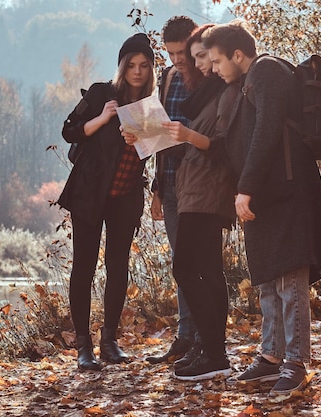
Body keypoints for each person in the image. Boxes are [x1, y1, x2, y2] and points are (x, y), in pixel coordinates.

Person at [202, 20, 321, 394]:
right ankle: (272, 357)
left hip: (288, 194)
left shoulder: (266, 71)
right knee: (268, 280)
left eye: (216, 61)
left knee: (290, 280)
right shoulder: (247, 82)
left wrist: (245, 188)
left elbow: (268, 130)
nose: (214, 68)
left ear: (238, 55)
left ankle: (296, 362)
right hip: (268, 196)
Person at [125, 24, 240, 381]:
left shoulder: (220, 84)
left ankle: (211, 350)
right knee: (195, 268)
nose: (187, 62)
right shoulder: (178, 79)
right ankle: (203, 347)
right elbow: (164, 131)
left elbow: (221, 141)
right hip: (181, 183)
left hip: (207, 187)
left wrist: (188, 135)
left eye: (196, 55)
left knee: (193, 268)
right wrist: (142, 138)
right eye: (177, 56)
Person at [56, 33, 156, 371]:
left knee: (118, 267)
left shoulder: (151, 103)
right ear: (122, 66)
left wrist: (141, 137)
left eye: (144, 65)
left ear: (151, 69)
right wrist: (103, 119)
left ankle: (109, 341)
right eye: (131, 65)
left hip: (126, 195)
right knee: (84, 267)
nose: (137, 71)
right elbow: (69, 130)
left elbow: (153, 150)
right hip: (90, 192)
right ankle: (84, 346)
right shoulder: (102, 91)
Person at [145, 15, 203, 365]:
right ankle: (184, 338)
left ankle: (205, 340)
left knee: (201, 264)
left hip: (199, 183)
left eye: (181, 52)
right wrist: (157, 187)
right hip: (170, 184)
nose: (177, 60)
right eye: (170, 53)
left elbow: (214, 128)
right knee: (180, 264)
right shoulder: (167, 77)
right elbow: (159, 135)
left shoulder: (207, 75)